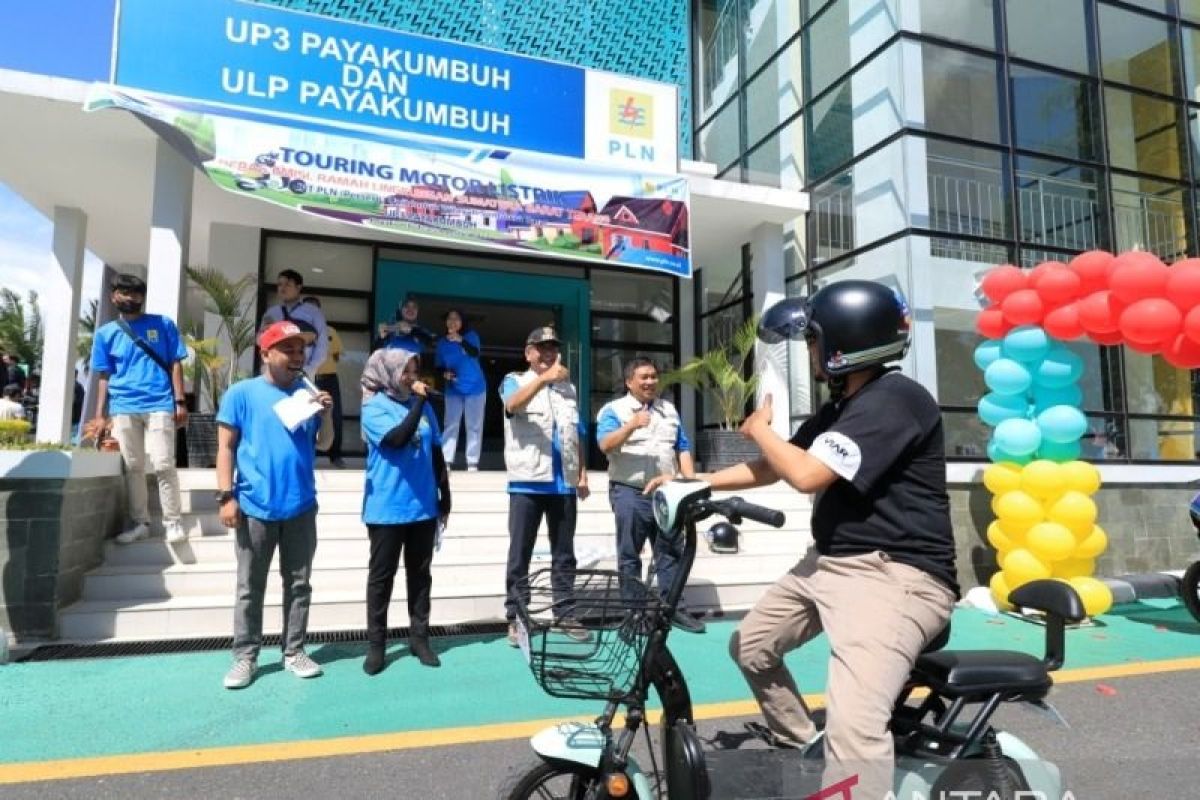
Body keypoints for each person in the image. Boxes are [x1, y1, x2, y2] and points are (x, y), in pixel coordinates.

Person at [649, 281, 959, 800]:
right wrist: (697, 482)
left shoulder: (896, 400)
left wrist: (760, 429)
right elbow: (775, 466)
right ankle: (802, 744)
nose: (810, 352)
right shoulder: (842, 409)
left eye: (813, 340)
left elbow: (808, 474)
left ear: (844, 342)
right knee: (751, 647)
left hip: (898, 575)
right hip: (831, 564)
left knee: (856, 726)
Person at [216, 320, 334, 690]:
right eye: (288, 349)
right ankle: (245, 656)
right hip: (254, 505)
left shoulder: (309, 393)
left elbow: (326, 445)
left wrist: (325, 414)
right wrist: (226, 496)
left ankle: (293, 651)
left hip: (301, 505)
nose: (297, 356)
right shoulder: (242, 393)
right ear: (266, 354)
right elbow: (225, 448)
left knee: (299, 584)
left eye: (301, 350)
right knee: (250, 586)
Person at [359, 348, 452, 674]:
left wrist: (445, 494)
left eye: (415, 371)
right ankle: (377, 646)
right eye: (406, 372)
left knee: (420, 575)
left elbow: (436, 452)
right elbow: (397, 439)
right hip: (387, 507)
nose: (413, 378)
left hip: (422, 507)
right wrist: (422, 402)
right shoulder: (373, 408)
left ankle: (419, 638)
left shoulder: (422, 408)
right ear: (388, 373)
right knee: (382, 578)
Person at [595, 357, 704, 633]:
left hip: (667, 494)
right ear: (629, 381)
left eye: (654, 376)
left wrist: (688, 484)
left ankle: (674, 610)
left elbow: (682, 448)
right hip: (629, 492)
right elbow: (605, 445)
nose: (650, 382)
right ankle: (634, 615)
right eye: (643, 377)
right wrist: (631, 425)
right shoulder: (614, 410)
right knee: (630, 555)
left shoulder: (669, 410)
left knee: (670, 552)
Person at [500, 326, 590, 646]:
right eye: (541, 348)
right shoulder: (515, 380)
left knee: (564, 554)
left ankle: (565, 613)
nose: (548, 354)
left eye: (553, 348)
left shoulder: (569, 389)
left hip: (563, 483)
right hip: (527, 483)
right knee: (520, 553)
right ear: (528, 353)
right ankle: (516, 617)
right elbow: (512, 405)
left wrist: (582, 473)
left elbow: (575, 431)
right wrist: (543, 379)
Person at [90, 273, 190, 544]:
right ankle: (140, 523)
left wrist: (180, 401)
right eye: (124, 292)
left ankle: (173, 522)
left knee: (163, 463)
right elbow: (104, 375)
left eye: (135, 293)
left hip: (159, 402)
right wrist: (100, 415)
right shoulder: (105, 334)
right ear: (114, 297)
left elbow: (176, 363)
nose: (130, 298)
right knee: (133, 466)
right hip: (123, 406)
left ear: (142, 297)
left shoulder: (163, 324)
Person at [435, 308, 486, 472]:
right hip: (454, 388)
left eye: (456, 319)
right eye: (449, 319)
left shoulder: (471, 336)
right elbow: (438, 367)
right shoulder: (442, 343)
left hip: (476, 388)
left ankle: (472, 462)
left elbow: (474, 352)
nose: (452, 322)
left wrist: (460, 340)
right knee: (451, 424)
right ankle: (446, 461)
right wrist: (445, 373)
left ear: (462, 322)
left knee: (474, 425)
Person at [261, 269, 328, 376]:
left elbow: (322, 344)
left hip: (303, 372)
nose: (282, 288)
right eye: (279, 284)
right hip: (275, 371)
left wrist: (310, 368)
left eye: (287, 284)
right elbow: (262, 341)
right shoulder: (272, 313)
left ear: (299, 287)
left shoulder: (313, 312)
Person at [303, 296, 345, 468]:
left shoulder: (330, 331)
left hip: (328, 378)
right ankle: (308, 453)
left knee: (334, 415)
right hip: (307, 379)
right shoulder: (300, 332)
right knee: (307, 416)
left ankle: (335, 455)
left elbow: (336, 354)